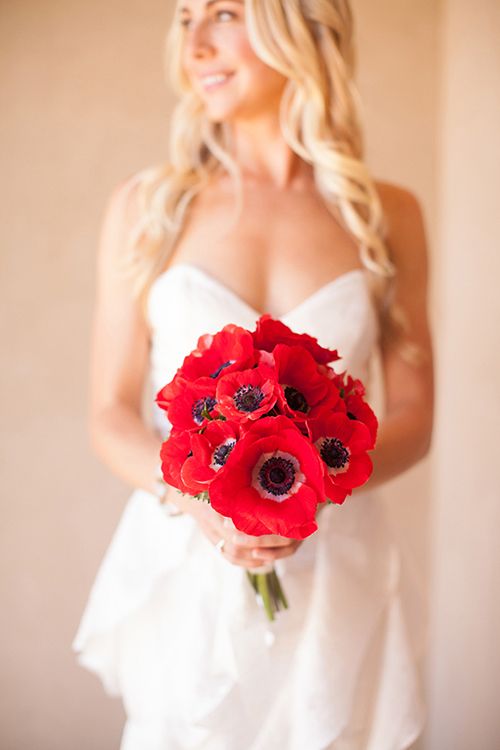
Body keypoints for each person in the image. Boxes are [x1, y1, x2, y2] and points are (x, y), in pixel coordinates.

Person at [73, 0, 434, 748]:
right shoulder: (146, 208)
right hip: (186, 565)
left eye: (225, 14)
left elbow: (413, 418)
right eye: (183, 18)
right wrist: (201, 501)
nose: (195, 43)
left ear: (300, 28)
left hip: (340, 569)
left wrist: (308, 490)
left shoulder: (387, 215)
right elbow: (110, 411)